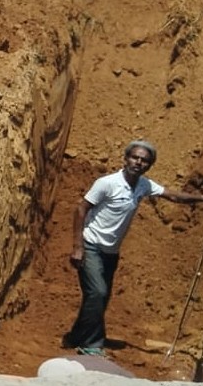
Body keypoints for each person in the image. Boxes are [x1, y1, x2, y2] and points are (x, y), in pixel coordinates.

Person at [65, 140, 203, 356]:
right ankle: (91, 345)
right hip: (91, 245)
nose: (138, 162)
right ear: (126, 158)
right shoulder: (107, 183)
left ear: (149, 166)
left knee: (99, 296)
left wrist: (200, 198)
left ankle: (76, 335)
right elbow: (80, 209)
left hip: (111, 253)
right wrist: (77, 247)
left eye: (144, 161)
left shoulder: (143, 185)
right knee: (98, 293)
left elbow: (174, 195)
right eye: (135, 157)